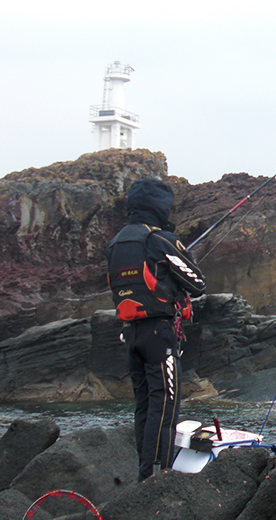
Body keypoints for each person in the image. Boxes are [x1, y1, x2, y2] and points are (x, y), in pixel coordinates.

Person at [106, 179, 206, 481]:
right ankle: (157, 476)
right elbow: (197, 283)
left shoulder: (116, 243)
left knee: (145, 406)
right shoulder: (159, 239)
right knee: (165, 405)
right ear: (159, 206)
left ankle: (143, 471)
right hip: (159, 336)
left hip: (132, 335)